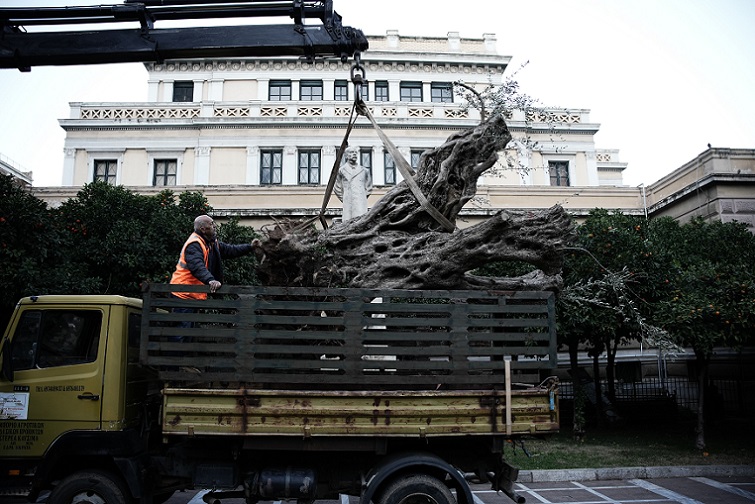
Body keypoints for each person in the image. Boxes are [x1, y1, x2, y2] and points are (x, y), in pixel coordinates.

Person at [334, 146, 373, 221]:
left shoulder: (364, 171)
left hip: (360, 203)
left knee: (360, 222)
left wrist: (361, 197)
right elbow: (337, 188)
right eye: (352, 152)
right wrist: (346, 198)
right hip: (348, 204)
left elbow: (369, 188)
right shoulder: (341, 171)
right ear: (346, 155)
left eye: (355, 152)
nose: (354, 154)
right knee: (347, 224)